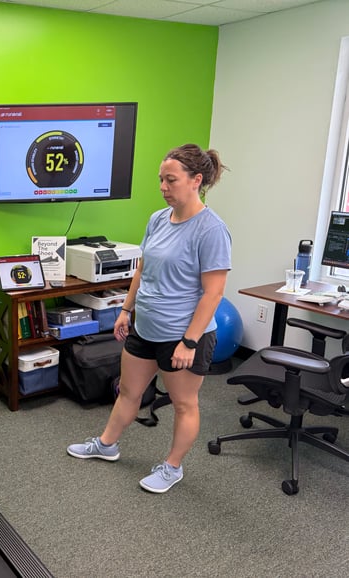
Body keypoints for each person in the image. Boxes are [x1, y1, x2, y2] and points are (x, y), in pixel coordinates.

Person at [67, 143, 231, 493]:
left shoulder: (211, 230)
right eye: (160, 179)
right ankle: (106, 445)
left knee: (184, 404)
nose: (162, 186)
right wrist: (126, 310)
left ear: (196, 180)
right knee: (128, 391)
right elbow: (143, 269)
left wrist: (190, 341)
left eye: (170, 180)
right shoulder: (158, 219)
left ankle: (172, 467)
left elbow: (213, 293)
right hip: (146, 327)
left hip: (184, 336)